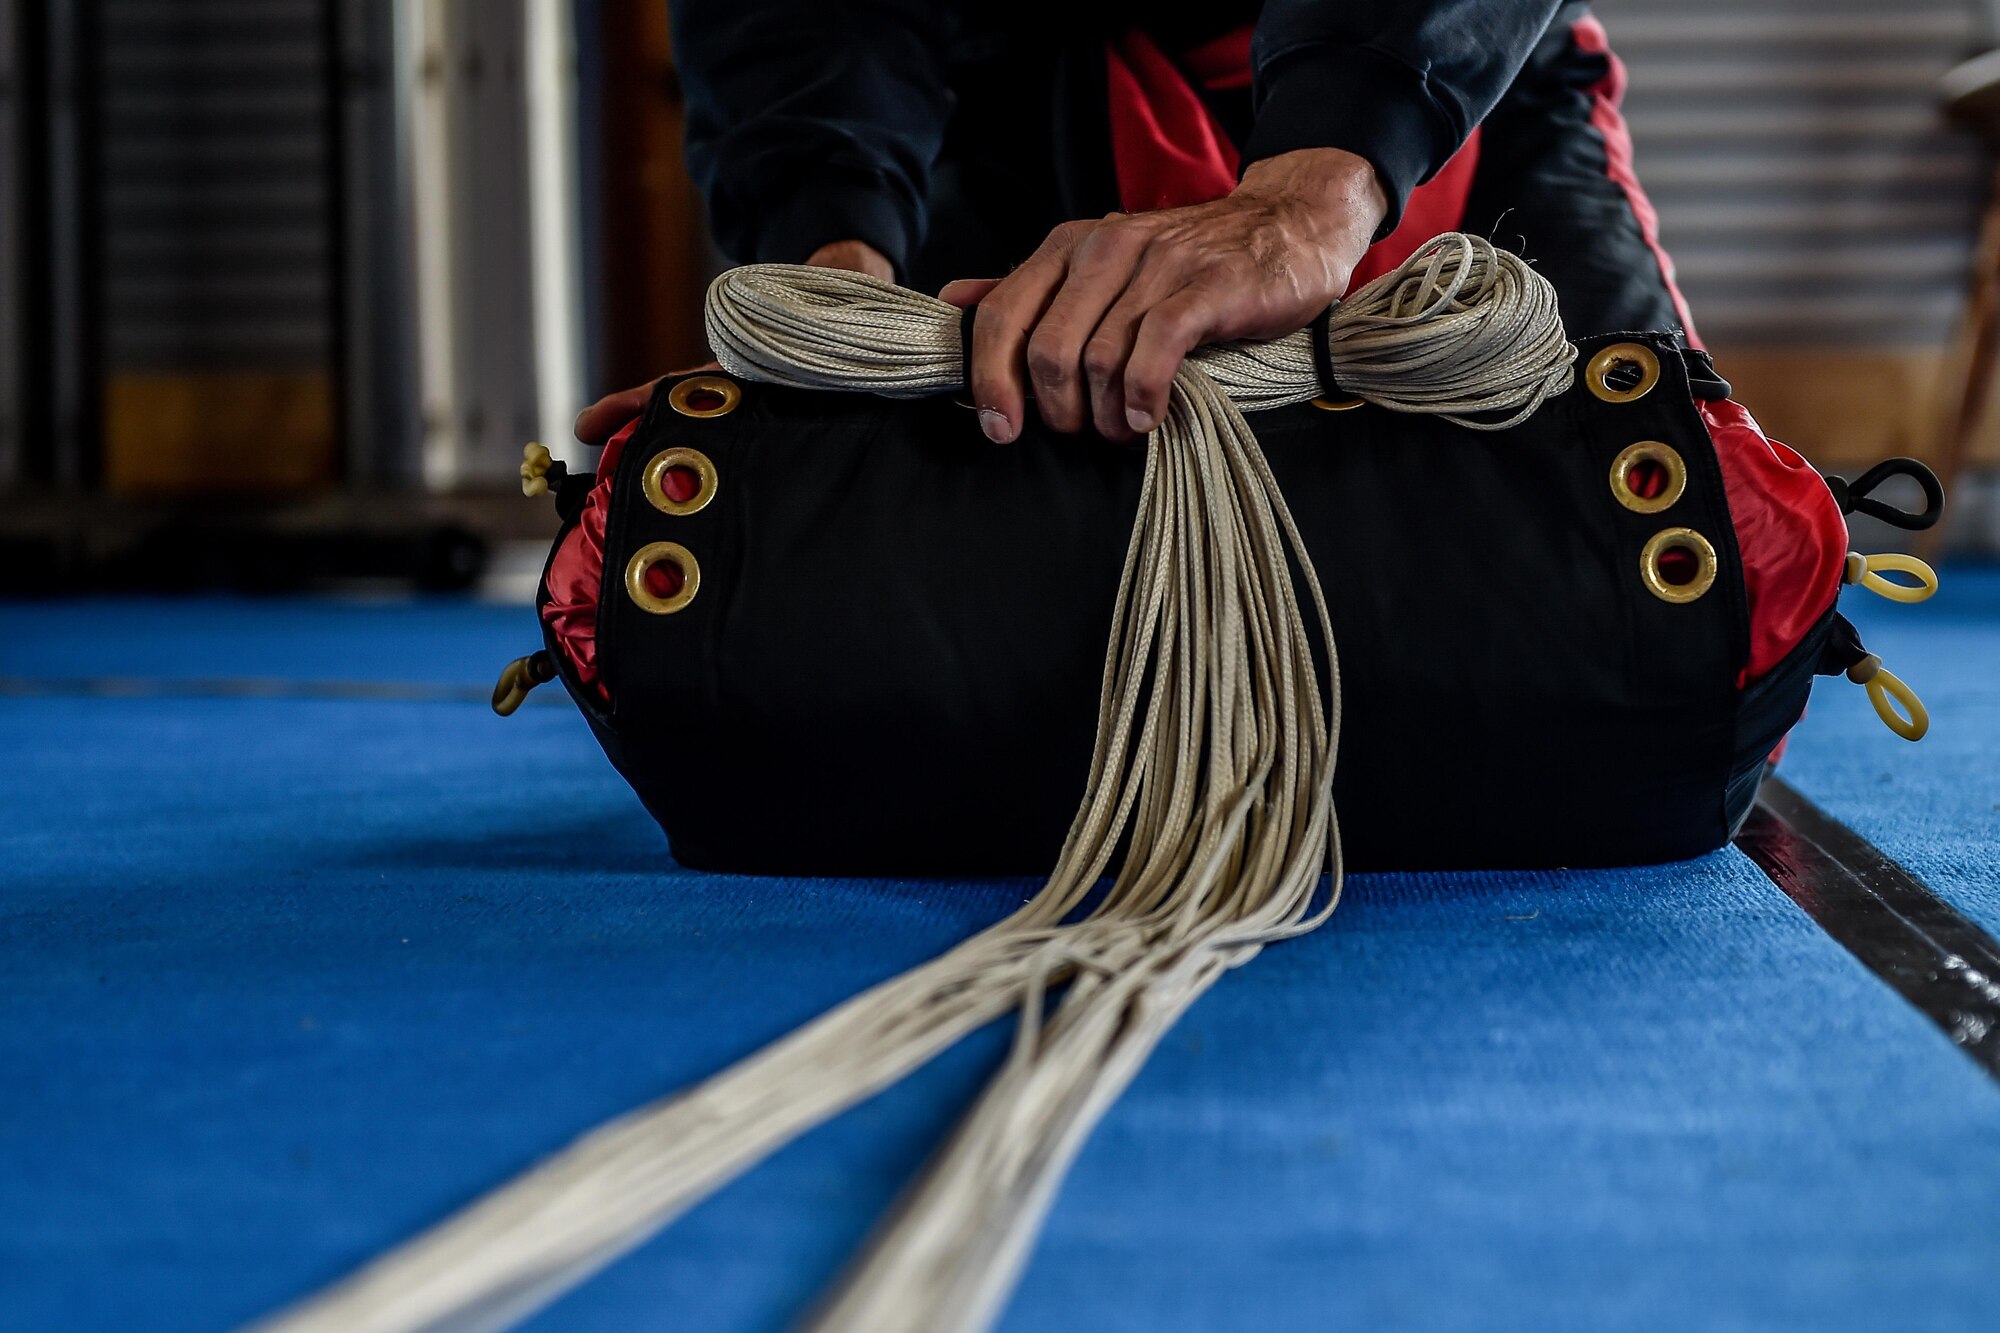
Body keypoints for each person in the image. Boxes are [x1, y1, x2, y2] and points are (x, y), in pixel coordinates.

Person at [576, 1, 1695, 449]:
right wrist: (837, 273)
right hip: (1030, 84)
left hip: (1437, 68)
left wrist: (1314, 188)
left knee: (1688, 596)